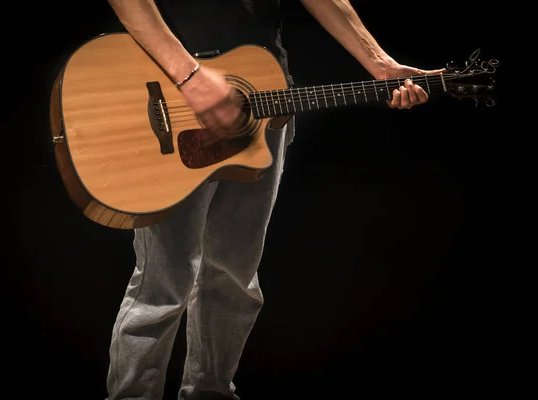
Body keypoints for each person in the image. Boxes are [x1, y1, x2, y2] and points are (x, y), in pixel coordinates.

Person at [104, 1, 444, 399]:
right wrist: (189, 76)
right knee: (163, 286)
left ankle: (211, 392)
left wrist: (381, 63)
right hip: (169, 89)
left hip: (263, 94)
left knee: (233, 277)